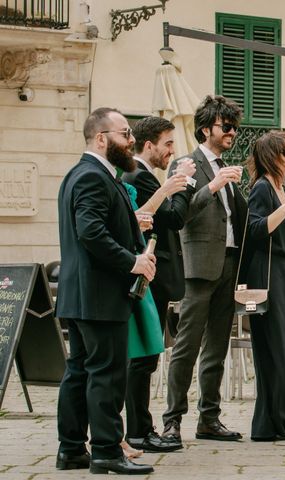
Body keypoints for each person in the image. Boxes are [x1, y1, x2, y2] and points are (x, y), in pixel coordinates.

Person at [55, 107, 155, 474]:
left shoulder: (83, 174)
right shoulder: (92, 176)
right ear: (101, 138)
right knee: (107, 374)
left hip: (82, 295)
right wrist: (133, 261)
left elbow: (97, 227)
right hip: (99, 295)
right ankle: (106, 451)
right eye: (124, 133)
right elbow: (91, 232)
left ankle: (70, 450)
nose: (131, 140)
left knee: (80, 371)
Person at [161, 95, 247, 445]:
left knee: (217, 348)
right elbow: (180, 214)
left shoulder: (226, 167)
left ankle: (209, 419)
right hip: (197, 268)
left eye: (234, 128)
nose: (232, 133)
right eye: (226, 127)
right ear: (205, 128)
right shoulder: (185, 164)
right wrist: (214, 185)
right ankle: (171, 421)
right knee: (187, 346)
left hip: (228, 263)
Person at [121, 116, 196, 454]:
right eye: (167, 143)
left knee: (146, 356)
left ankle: (140, 428)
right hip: (150, 273)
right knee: (144, 357)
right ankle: (138, 431)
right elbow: (174, 217)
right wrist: (185, 183)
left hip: (156, 273)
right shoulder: (139, 176)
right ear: (148, 145)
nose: (172, 150)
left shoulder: (145, 175)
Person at [244, 131, 285, 441]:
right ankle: (273, 424)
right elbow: (255, 229)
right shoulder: (262, 188)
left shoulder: (283, 187)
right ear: (272, 155)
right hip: (267, 273)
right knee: (276, 349)